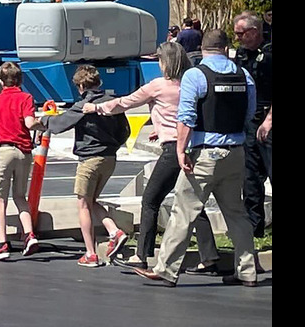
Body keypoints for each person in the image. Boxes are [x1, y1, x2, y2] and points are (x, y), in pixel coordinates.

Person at [133, 29, 259, 287]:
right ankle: (247, 271)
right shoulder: (243, 75)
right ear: (226, 48)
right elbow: (250, 112)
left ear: (203, 49)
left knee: (184, 211)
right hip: (235, 152)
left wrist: (181, 150)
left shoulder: (196, 75)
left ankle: (166, 269)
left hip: (204, 155)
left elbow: (187, 118)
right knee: (236, 213)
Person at [83, 42, 220, 271]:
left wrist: (95, 108)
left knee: (150, 200)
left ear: (165, 63)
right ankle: (210, 254)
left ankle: (142, 254)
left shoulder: (158, 86)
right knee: (191, 202)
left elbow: (125, 102)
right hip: (191, 147)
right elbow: (182, 113)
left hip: (171, 150)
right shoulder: (190, 84)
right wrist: (160, 126)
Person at [39, 65, 131, 268]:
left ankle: (91, 252)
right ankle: (114, 231)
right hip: (109, 158)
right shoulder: (110, 103)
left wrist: (43, 119)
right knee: (91, 200)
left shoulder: (84, 105)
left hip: (89, 159)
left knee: (82, 204)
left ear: (81, 85)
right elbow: (125, 131)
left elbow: (59, 124)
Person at [0, 63, 40, 261]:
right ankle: (29, 234)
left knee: (0, 199)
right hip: (24, 151)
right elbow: (30, 123)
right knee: (20, 197)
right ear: (20, 80)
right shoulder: (26, 98)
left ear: (1, 82)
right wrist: (42, 125)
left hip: (5, 149)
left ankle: (3, 243)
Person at [233, 12, 273, 237]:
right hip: (249, 121)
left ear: (254, 32)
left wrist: (268, 120)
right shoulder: (242, 54)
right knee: (250, 178)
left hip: (267, 118)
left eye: (241, 34)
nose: (237, 38)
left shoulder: (268, 53)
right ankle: (254, 230)